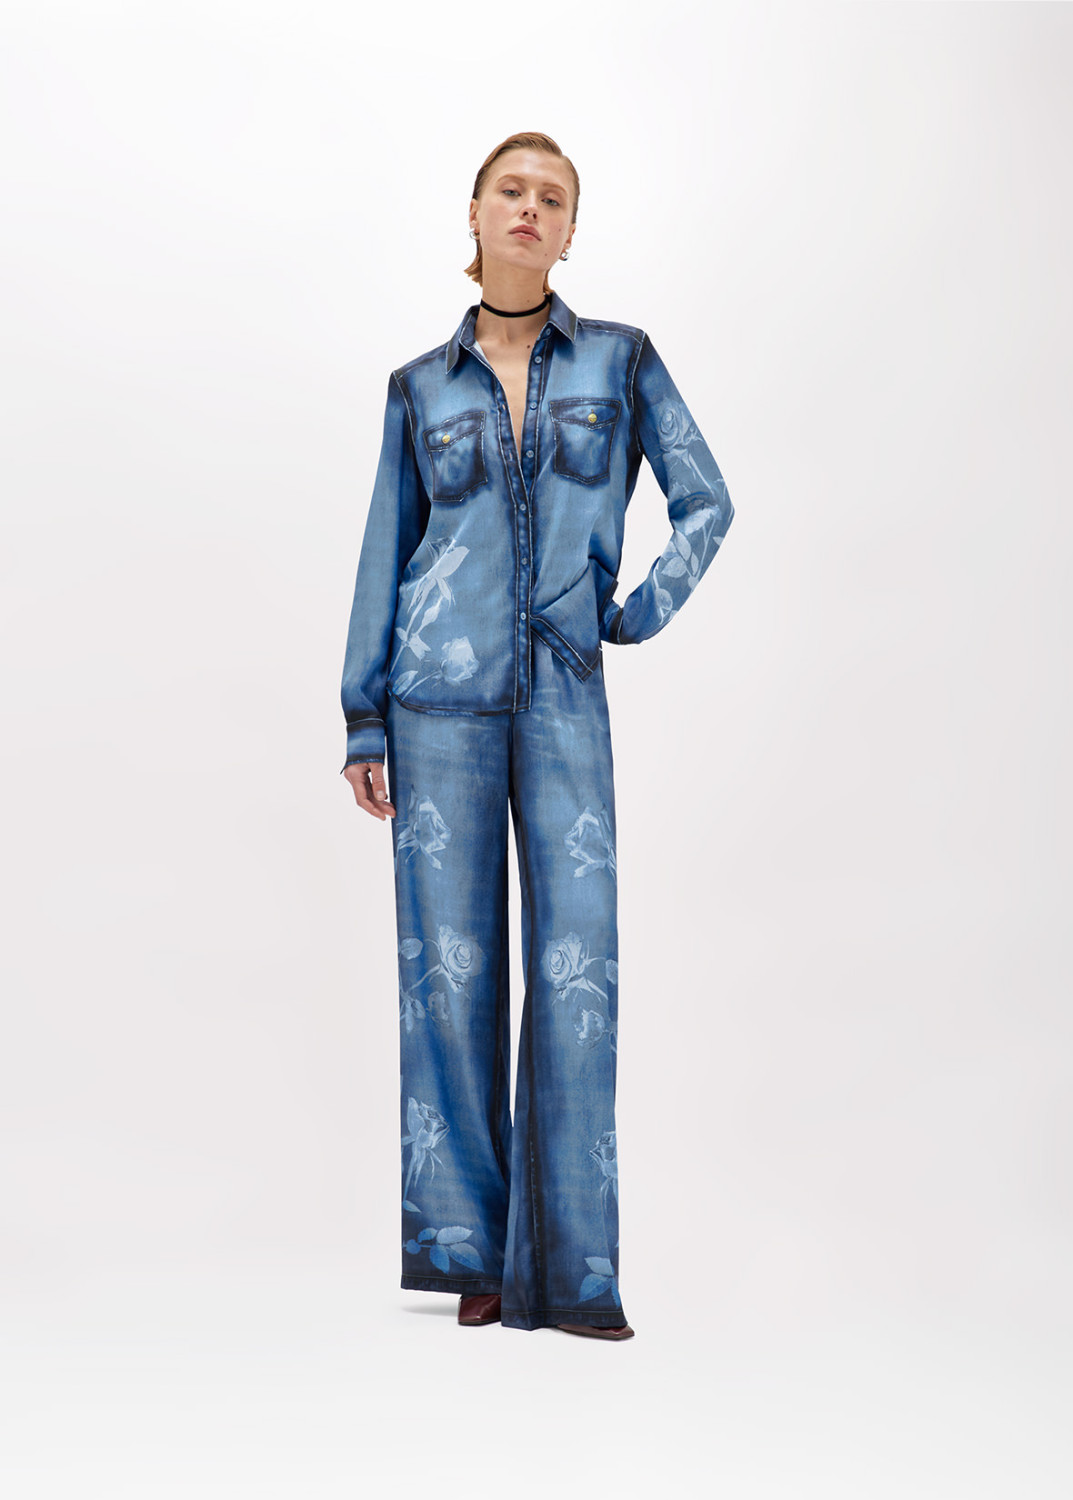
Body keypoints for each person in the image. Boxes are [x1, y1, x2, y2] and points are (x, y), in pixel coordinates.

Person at [340, 131, 734, 1339]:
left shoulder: (620, 360)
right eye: (509, 190)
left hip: (563, 693)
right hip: (433, 703)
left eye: (550, 197)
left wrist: (633, 610)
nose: (528, 207)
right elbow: (384, 549)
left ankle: (573, 1273)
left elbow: (705, 500)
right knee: (446, 979)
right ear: (473, 215)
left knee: (577, 970)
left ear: (569, 231)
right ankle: (472, 1255)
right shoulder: (418, 387)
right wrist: (363, 713)